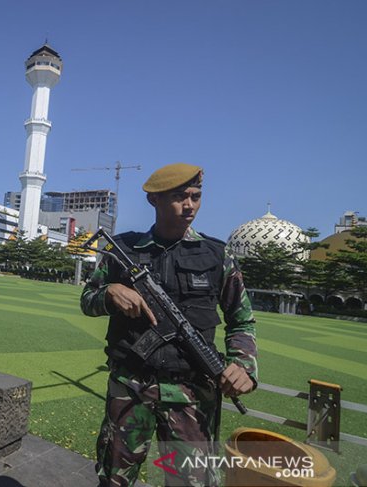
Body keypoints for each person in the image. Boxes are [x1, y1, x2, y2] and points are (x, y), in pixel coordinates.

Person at [80, 163, 258, 487]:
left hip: (192, 393)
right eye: (179, 197)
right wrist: (110, 293)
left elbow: (241, 319)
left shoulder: (217, 256)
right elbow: (87, 300)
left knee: (192, 482)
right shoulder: (123, 251)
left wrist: (243, 365)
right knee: (113, 479)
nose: (189, 205)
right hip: (130, 386)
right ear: (154, 200)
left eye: (196, 196)